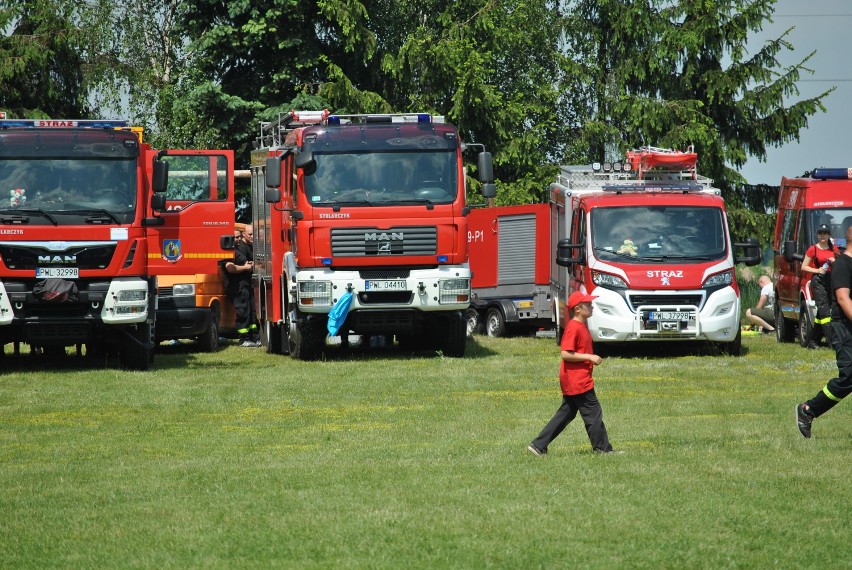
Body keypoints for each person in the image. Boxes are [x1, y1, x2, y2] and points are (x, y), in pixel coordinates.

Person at [528, 291, 619, 456]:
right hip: (578, 380)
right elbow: (565, 353)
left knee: (566, 413)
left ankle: (538, 445)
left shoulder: (580, 326)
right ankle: (603, 449)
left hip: (573, 379)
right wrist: (590, 357)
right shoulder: (574, 328)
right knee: (593, 413)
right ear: (578, 309)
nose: (592, 307)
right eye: (589, 305)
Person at [796, 224, 852, 438]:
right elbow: (842, 298)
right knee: (848, 378)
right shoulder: (843, 265)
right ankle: (808, 410)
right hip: (844, 328)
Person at [801, 223, 840, 348]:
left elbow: (840, 265)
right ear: (817, 235)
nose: (822, 235)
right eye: (820, 233)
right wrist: (817, 271)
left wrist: (835, 262)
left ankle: (812, 340)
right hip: (818, 281)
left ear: (829, 235)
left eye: (825, 233)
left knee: (822, 312)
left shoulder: (834, 249)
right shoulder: (813, 249)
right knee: (824, 311)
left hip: (831, 280)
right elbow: (804, 266)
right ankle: (833, 342)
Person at [226, 224, 260, 347]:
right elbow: (230, 268)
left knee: (251, 312)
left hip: (246, 285)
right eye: (236, 237)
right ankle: (244, 338)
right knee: (242, 312)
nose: (238, 239)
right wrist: (246, 267)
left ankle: (254, 337)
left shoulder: (240, 249)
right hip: (237, 287)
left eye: (239, 237)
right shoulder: (228, 252)